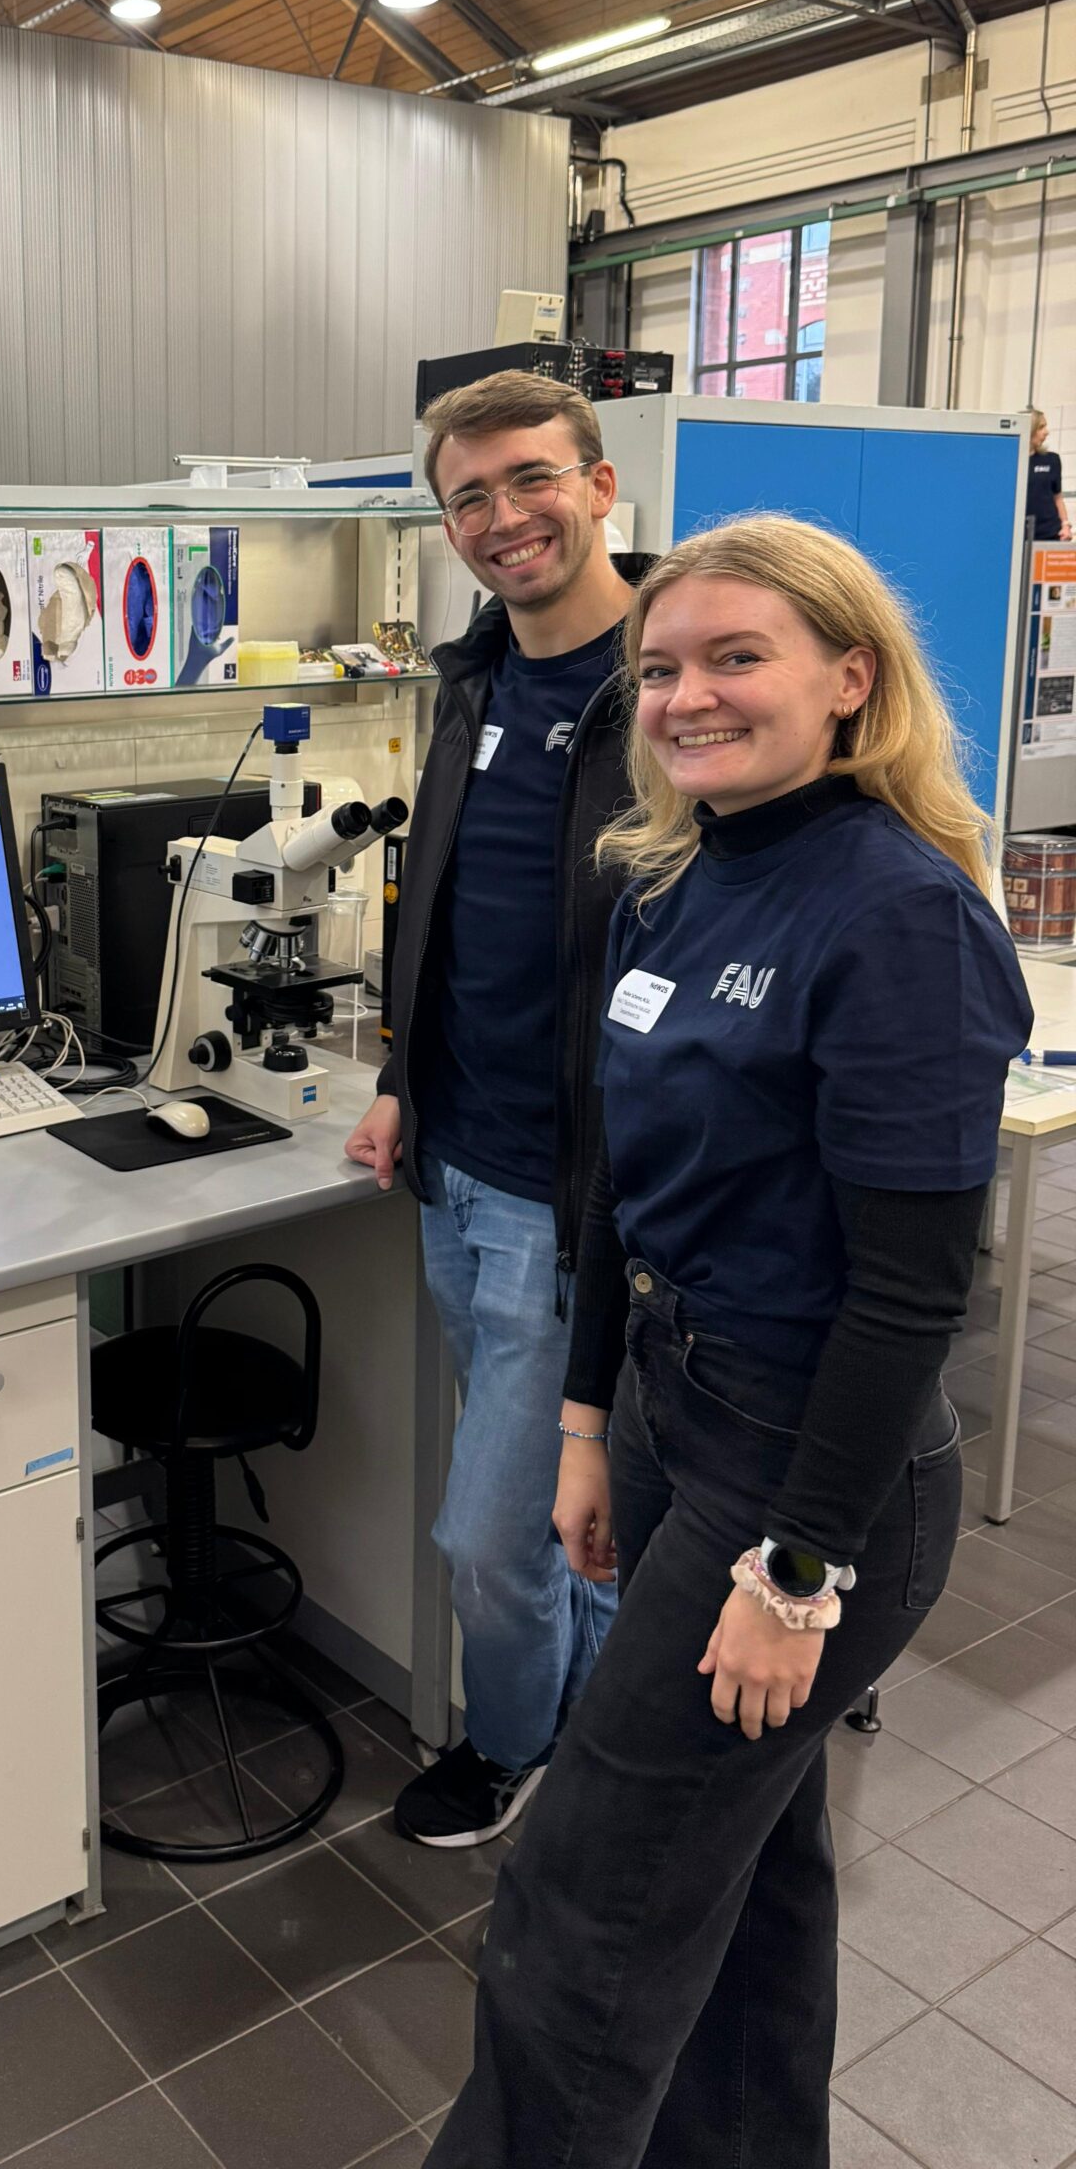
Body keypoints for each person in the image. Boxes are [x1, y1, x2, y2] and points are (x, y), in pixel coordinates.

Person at [428, 515, 1029, 2169]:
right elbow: (618, 1186)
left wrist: (796, 1573)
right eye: (666, 666)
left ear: (851, 678)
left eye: (736, 658)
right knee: (750, 1880)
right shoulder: (673, 876)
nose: (687, 695)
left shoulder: (900, 917)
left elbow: (914, 1296)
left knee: (581, 1913)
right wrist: (579, 1425)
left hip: (808, 1462)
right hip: (675, 1413)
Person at [344, 371, 647, 1850]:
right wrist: (402, 1079)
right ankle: (597, 1729)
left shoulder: (670, 693)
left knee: (488, 1536)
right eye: (468, 496)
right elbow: (443, 909)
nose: (502, 517)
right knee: (553, 1509)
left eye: (531, 479)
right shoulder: (469, 682)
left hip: (569, 1191)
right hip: (457, 1161)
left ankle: (517, 1744)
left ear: (597, 484)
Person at [1026, 407, 1070, 545]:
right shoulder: (1011, 461)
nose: (1047, 432)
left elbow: (1057, 497)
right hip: (1020, 534)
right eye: (1041, 427)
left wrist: (1065, 525)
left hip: (1050, 533)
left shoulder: (1051, 460)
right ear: (1030, 430)